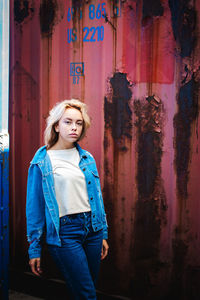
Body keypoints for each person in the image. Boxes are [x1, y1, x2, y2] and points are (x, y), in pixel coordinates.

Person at [26, 99, 109, 299]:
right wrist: (34, 248)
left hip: (93, 230)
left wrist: (103, 232)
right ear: (56, 125)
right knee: (87, 293)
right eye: (68, 122)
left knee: (86, 287)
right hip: (65, 233)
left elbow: (97, 198)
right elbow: (35, 208)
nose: (74, 128)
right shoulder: (41, 162)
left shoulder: (87, 158)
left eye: (79, 123)